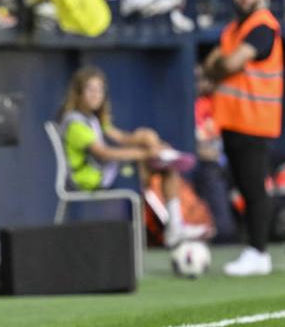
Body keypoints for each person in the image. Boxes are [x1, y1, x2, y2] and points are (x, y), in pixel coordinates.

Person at [58, 66, 194, 248]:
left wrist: (147, 140)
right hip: (91, 180)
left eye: (100, 90)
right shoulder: (75, 123)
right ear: (78, 93)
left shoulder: (94, 119)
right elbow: (105, 154)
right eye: (90, 89)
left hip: (106, 174)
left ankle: (175, 226)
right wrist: (146, 154)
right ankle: (162, 161)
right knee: (160, 165)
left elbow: (122, 138)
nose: (96, 95)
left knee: (151, 144)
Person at [203, 0, 283, 276]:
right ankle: (253, 249)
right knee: (243, 187)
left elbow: (227, 63)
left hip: (254, 120)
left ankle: (258, 251)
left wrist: (221, 64)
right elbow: (213, 63)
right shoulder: (235, 28)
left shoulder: (262, 26)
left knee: (253, 188)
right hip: (234, 120)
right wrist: (220, 64)